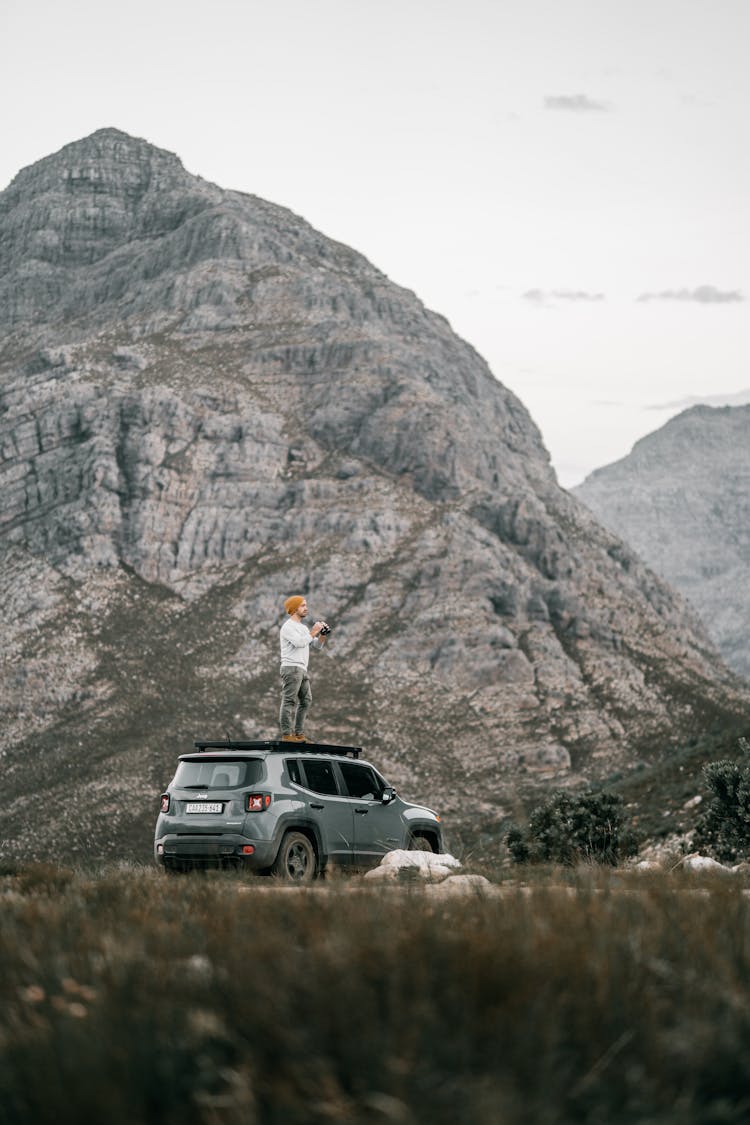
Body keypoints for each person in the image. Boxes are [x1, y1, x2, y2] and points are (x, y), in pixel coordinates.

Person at [279, 595, 329, 742]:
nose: (306, 608)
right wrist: (314, 631)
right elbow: (300, 643)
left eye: (306, 605)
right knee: (289, 700)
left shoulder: (302, 628)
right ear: (294, 609)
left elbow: (317, 646)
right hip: (291, 667)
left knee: (306, 701)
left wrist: (322, 635)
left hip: (302, 668)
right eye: (302, 606)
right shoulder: (288, 627)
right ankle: (287, 735)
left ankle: (299, 734)